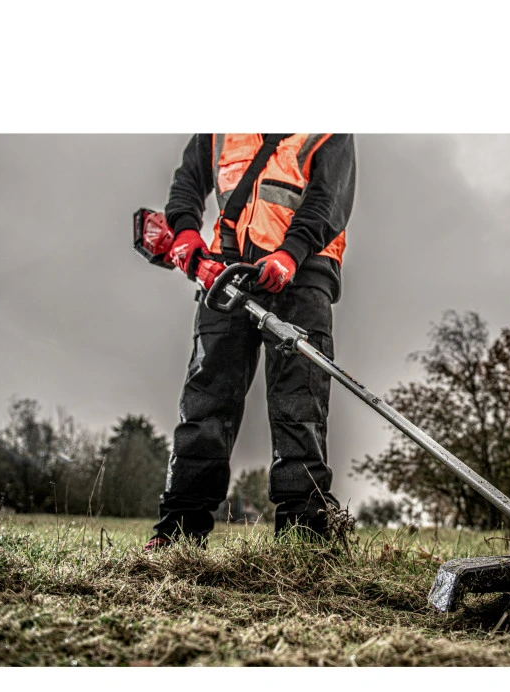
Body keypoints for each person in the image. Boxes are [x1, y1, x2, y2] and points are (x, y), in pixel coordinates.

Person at [144, 134, 356, 552]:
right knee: (205, 403)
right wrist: (185, 230)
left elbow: (329, 198)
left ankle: (303, 536)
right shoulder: (220, 129)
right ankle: (180, 530)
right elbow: (188, 181)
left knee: (300, 404)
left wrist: (291, 253)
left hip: (303, 273)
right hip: (227, 272)